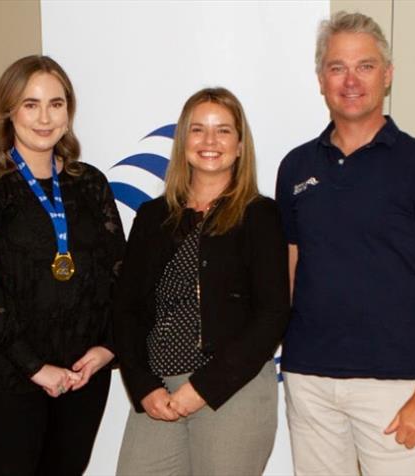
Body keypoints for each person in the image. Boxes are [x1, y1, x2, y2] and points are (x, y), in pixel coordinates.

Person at [275, 11, 415, 476]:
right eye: (337, 67)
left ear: (387, 75)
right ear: (321, 79)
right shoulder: (296, 167)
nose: (351, 80)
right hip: (309, 380)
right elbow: (289, 274)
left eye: (365, 66)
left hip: (395, 387)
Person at [0, 55, 125, 476]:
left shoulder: (90, 183)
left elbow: (119, 273)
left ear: (68, 111)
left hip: (82, 376)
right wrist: (35, 367)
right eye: (31, 104)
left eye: (56, 104)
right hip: (4, 378)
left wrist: (107, 348)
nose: (45, 117)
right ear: (8, 110)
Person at [114, 87, 290, 476]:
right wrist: (144, 387)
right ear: (183, 142)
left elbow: (273, 314)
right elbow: (125, 311)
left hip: (233, 392)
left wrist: (203, 389)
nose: (210, 141)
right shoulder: (151, 217)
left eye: (223, 130)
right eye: (198, 129)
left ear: (240, 145)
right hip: (157, 393)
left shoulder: (261, 217)